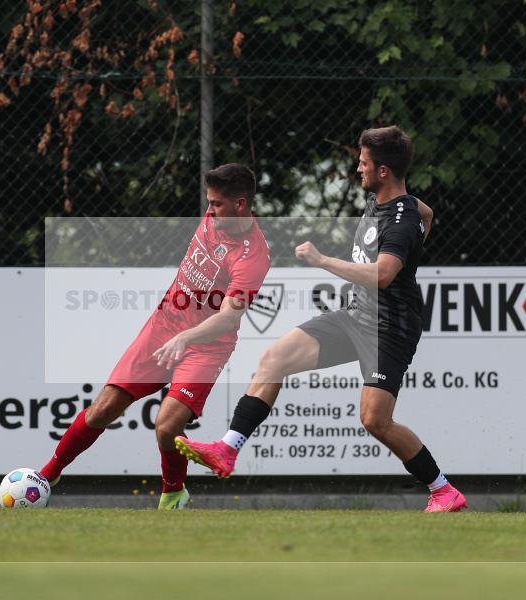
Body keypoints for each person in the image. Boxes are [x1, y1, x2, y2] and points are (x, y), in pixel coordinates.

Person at [176, 126, 467, 512]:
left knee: (375, 421)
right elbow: (425, 214)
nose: (357, 169)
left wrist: (321, 260)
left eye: (363, 163)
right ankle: (227, 449)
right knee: (274, 359)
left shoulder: (397, 220)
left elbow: (383, 275)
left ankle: (443, 490)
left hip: (389, 329)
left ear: (383, 171)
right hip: (356, 316)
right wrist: (416, 238)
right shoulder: (397, 203)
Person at [39, 164, 269, 509]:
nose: (208, 211)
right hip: (162, 326)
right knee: (102, 409)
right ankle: (47, 475)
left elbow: (229, 319)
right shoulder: (213, 219)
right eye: (208, 202)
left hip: (206, 347)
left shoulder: (253, 255)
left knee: (166, 428)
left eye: (216, 204)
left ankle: (174, 493)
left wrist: (187, 338)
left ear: (240, 205)